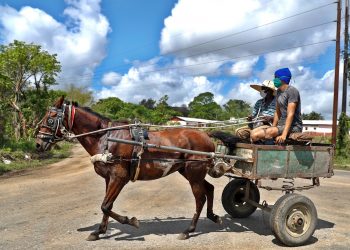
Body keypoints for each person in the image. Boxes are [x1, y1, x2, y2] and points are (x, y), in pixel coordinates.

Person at [250, 68, 302, 144]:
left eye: (275, 77)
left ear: (282, 78)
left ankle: (271, 147)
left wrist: (284, 135)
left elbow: (290, 114)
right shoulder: (278, 92)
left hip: (294, 126)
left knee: (268, 133)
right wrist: (273, 126)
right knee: (254, 135)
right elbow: (277, 112)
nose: (274, 80)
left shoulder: (292, 91)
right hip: (281, 125)